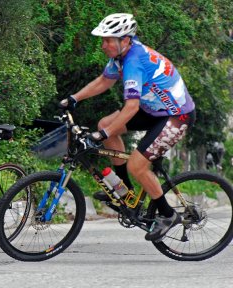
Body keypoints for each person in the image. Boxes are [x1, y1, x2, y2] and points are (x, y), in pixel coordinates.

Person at [60, 13, 196, 241]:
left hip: (176, 115)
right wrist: (74, 98)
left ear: (125, 40)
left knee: (137, 164)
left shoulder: (133, 61)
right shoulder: (121, 56)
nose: (103, 45)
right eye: (103, 40)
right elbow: (105, 81)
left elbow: (131, 107)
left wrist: (103, 134)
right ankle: (124, 192)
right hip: (153, 109)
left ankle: (167, 214)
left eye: (108, 40)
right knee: (105, 123)